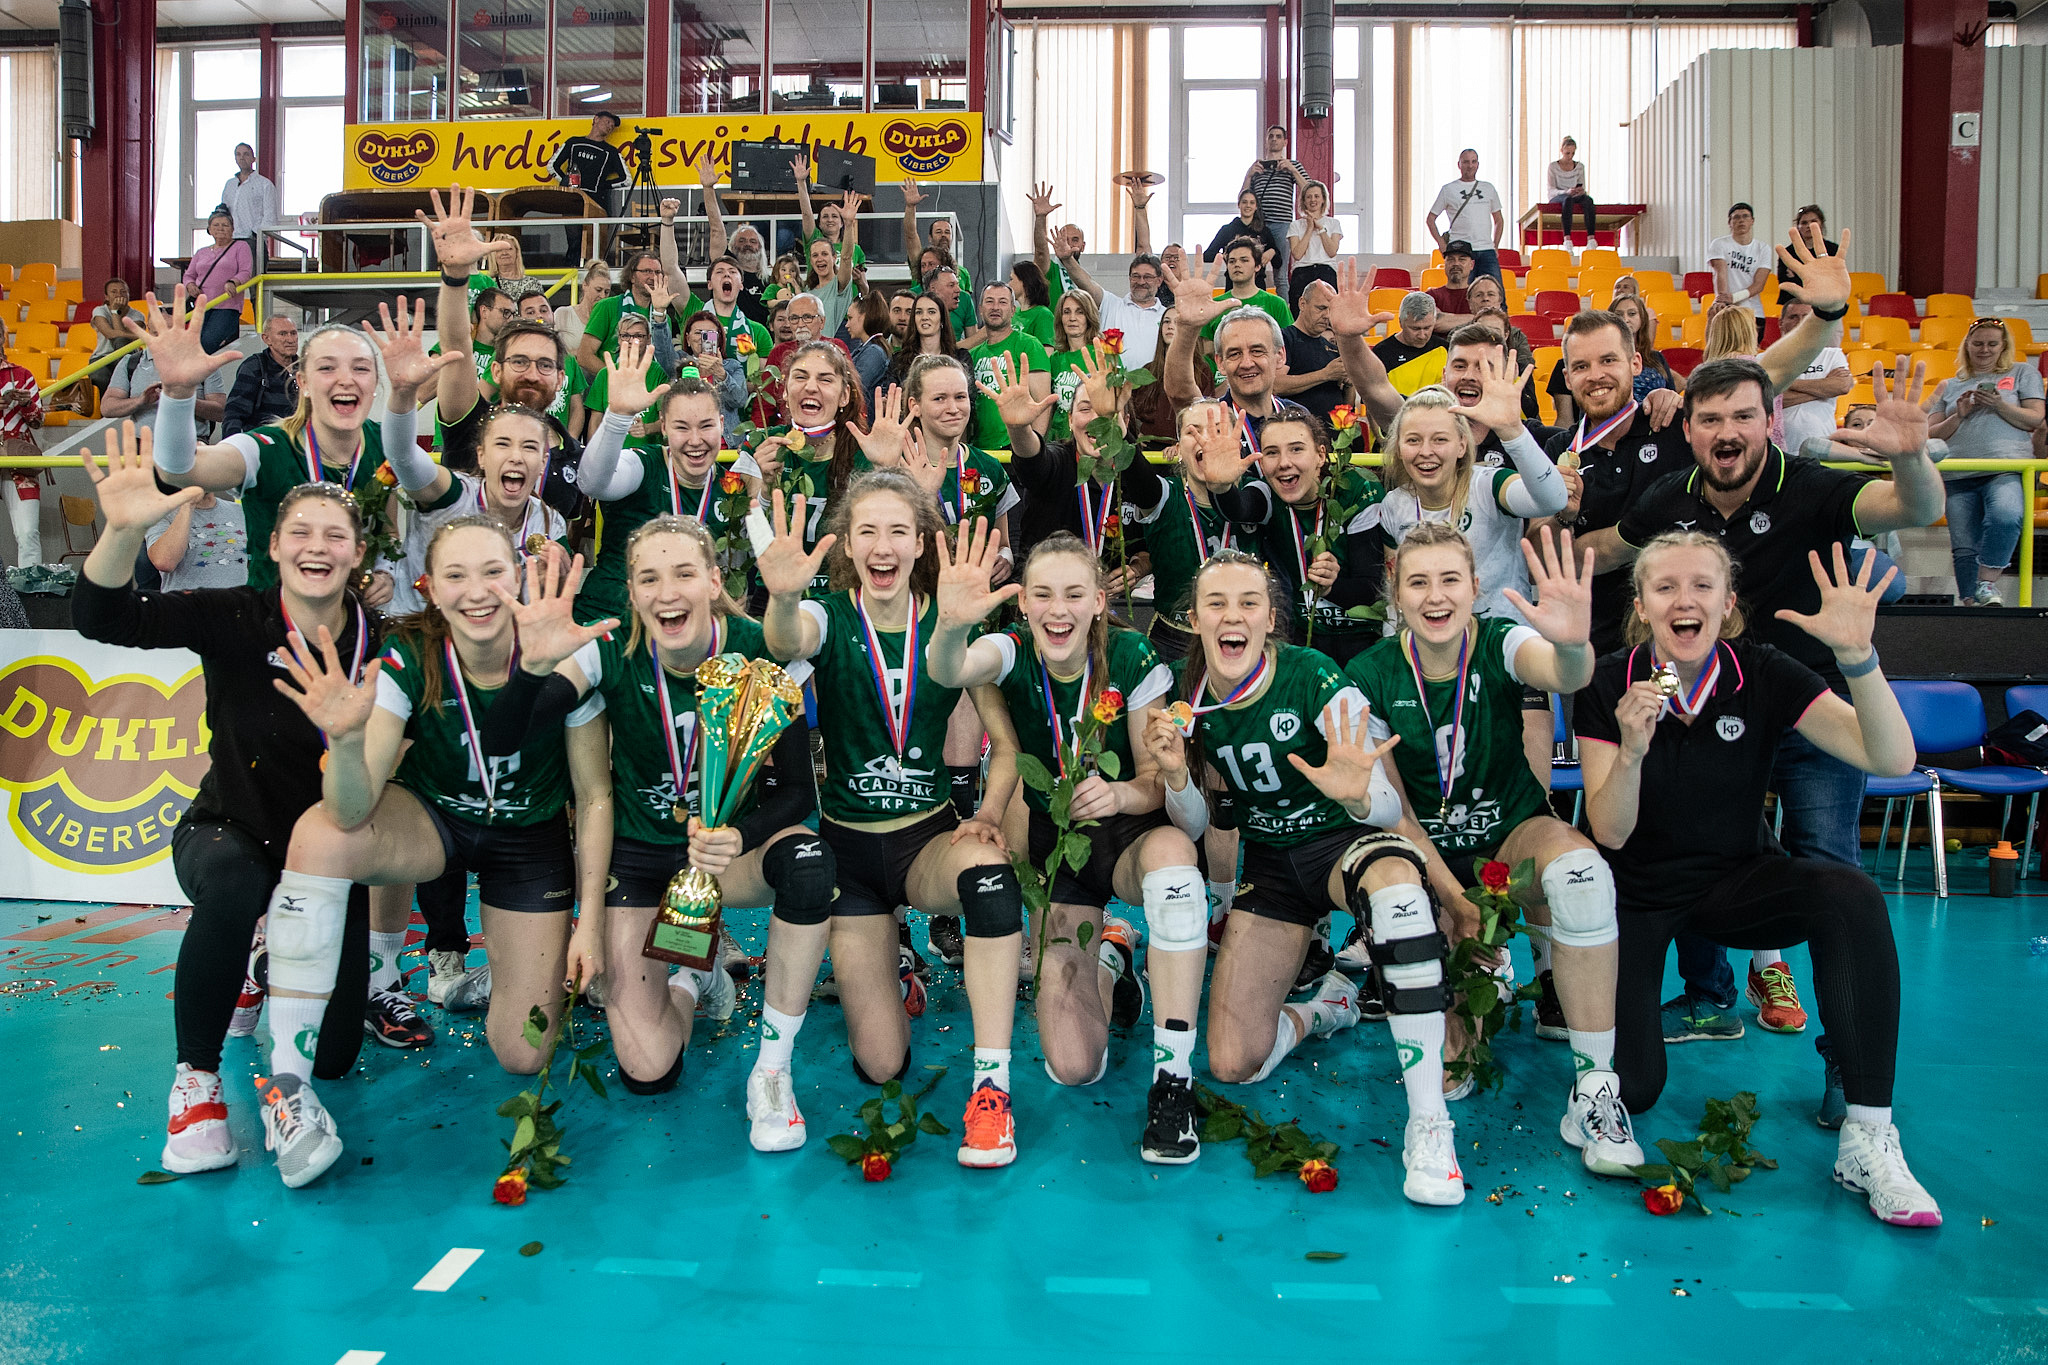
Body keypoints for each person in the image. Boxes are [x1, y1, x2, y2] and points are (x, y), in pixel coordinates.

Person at [1577, 531, 1941, 1227]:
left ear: (1728, 602)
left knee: (1851, 896)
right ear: (1641, 606)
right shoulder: (1608, 681)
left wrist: (1858, 659)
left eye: (1702, 586)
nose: (1684, 600)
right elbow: (1611, 832)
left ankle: (1868, 1136)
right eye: (1665, 587)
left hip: (1735, 880)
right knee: (1638, 1088)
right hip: (1637, 896)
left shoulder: (1763, 671)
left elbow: (1893, 758)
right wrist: (1630, 752)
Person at [1588, 358, 1946, 1046]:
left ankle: (1844, 1059)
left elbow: (1913, 507)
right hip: (1702, 708)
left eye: (1743, 415)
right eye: (1711, 418)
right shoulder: (1667, 497)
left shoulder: (1812, 486)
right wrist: (1534, 538)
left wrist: (1910, 460)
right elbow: (1611, 549)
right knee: (1686, 849)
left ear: (1768, 422)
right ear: (1689, 430)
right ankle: (1710, 999)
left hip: (1808, 707)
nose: (1727, 431)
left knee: (1833, 874)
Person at [251, 521, 613, 1185]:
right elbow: (353, 809)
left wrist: (588, 923)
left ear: (518, 577)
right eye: (456, 576)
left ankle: (512, 970)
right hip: (435, 820)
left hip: (528, 839)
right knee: (320, 833)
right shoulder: (407, 654)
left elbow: (593, 797)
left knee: (525, 1052)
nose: (477, 591)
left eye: (493, 572)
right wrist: (348, 742)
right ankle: (288, 1089)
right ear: (431, 589)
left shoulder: (562, 649)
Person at [74, 426, 383, 1184]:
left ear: (358, 554)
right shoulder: (234, 613)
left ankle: (263, 962)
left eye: (335, 535)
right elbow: (105, 618)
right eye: (300, 532)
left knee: (336, 1058)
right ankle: (197, 1082)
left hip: (327, 858)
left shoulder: (382, 642)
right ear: (272, 546)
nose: (317, 546)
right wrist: (122, 532)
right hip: (227, 830)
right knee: (237, 884)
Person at [1152, 551, 1468, 1206]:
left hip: (1343, 844)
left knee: (1399, 892)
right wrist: (1176, 776)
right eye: (1216, 603)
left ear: (1270, 618)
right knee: (1232, 1063)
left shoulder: (1314, 675)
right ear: (1194, 619)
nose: (1232, 616)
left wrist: (1357, 794)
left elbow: (1388, 808)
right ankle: (1326, 1008)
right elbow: (1195, 822)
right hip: (1272, 866)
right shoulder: (1192, 702)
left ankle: (1430, 1125)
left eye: (1248, 603)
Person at [754, 474, 1028, 1166]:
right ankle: (896, 973)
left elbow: (1006, 747)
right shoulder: (828, 616)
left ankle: (992, 1090)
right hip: (849, 860)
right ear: (847, 546)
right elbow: (787, 639)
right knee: (881, 1065)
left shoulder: (951, 617)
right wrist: (782, 596)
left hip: (927, 844)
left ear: (920, 544)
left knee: (991, 876)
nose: (883, 546)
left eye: (898, 531)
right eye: (867, 532)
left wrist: (989, 812)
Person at [1351, 523, 1641, 1170]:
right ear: (1395, 593)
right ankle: (1482, 971)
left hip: (1511, 837)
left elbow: (1562, 671)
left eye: (1450, 579)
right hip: (1429, 860)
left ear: (1475, 586)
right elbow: (1399, 818)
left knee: (1585, 874)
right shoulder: (1369, 673)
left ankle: (1596, 1088)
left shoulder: (1502, 640)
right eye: (1418, 582)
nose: (1435, 596)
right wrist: (1458, 902)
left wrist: (1572, 644)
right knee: (1455, 1071)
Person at [928, 527, 1211, 1162]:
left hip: (1128, 837)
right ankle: (1112, 958)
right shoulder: (1008, 650)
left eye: (1074, 594)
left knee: (1175, 864)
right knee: (1074, 1067)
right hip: (1060, 853)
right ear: (1023, 602)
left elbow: (1156, 784)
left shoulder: (1134, 657)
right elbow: (948, 669)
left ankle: (1174, 1079)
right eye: (1043, 595)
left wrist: (1118, 796)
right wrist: (951, 624)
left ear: (1099, 603)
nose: (1058, 610)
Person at [523, 516, 825, 1093]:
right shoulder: (607, 652)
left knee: (809, 861)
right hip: (640, 858)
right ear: (632, 593)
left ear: (713, 581)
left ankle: (773, 1066)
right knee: (648, 1072)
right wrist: (533, 669)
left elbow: (798, 791)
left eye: (684, 573)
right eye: (649, 579)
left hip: (722, 857)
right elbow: (516, 734)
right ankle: (691, 978)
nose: (667, 593)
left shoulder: (761, 649)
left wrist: (741, 835)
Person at [141, 285, 462, 604]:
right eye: (327, 367)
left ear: (375, 383)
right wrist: (178, 394)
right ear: (303, 382)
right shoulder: (263, 448)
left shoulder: (383, 445)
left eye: (360, 368)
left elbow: (389, 531)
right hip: (274, 623)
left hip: (354, 621)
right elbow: (179, 471)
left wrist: (385, 571)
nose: (346, 378)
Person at [1376, 376, 1570, 629]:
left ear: (1461, 445)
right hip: (1432, 640)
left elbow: (1553, 500)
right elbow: (1396, 594)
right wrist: (1396, 642)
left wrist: (1513, 432)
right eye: (1413, 440)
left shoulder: (1489, 485)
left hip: (1501, 637)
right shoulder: (1393, 504)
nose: (1425, 451)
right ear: (1399, 448)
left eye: (1440, 439)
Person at [1214, 409, 1386, 665]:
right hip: (1300, 642)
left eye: (1296, 449)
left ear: (1320, 455)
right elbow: (1238, 508)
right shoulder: (1267, 492)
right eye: (1272, 452)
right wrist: (1220, 486)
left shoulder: (1357, 488)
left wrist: (1332, 587)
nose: (1284, 462)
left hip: (1364, 643)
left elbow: (1373, 589)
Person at [1927, 317, 2045, 605]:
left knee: (2006, 516)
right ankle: (1970, 604)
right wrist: (1959, 415)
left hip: (2006, 468)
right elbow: (1931, 433)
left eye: (1992, 344)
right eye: (1978, 343)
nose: (1984, 349)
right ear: (1967, 345)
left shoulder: (2022, 372)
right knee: (1964, 545)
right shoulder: (1949, 385)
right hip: (1957, 473)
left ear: (2003, 346)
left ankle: (1987, 583)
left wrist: (1998, 404)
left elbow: (2035, 419)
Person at [102, 304, 230, 434]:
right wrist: (140, 401)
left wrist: (185, 399)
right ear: (148, 329)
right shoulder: (130, 363)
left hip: (190, 443)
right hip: (143, 443)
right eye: (156, 333)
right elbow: (107, 408)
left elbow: (221, 412)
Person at [1052, 238, 1167, 371]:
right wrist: (1067, 260)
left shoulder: (1167, 316)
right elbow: (1087, 283)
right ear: (1129, 278)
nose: (1141, 282)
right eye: (1136, 276)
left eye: (1147, 277)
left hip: (1156, 383)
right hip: (1111, 383)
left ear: (1159, 280)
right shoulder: (1111, 304)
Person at [967, 283, 1051, 451]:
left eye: (1002, 302)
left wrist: (1033, 452)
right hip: (979, 449)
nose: (995, 307)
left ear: (1013, 310)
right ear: (980, 309)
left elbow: (1042, 403)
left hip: (1017, 448)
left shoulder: (1029, 345)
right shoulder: (972, 355)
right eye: (989, 301)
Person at [1773, 298, 1852, 455]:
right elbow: (1770, 401)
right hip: (1780, 450)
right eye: (1793, 317)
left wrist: (1787, 382)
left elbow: (1842, 386)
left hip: (1823, 447)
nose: (1800, 322)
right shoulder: (1766, 359)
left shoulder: (1832, 355)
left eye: (1806, 316)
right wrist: (1824, 389)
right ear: (1781, 323)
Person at [146, 485, 247, 590]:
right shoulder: (162, 514)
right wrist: (188, 504)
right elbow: (165, 562)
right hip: (187, 599)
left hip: (239, 599)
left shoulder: (239, 511)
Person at [1275, 279, 1348, 424]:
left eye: (1330, 310)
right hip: (1298, 428)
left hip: (1335, 431)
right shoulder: (1285, 338)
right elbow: (1275, 385)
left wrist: (1349, 383)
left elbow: (1347, 404)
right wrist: (1325, 374)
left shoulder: (1332, 347)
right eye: (1321, 308)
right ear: (1302, 304)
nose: (1327, 315)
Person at [1428, 150, 1506, 283]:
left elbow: (1498, 219)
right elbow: (1430, 219)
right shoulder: (1448, 189)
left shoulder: (1488, 188)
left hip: (1486, 250)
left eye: (1473, 161)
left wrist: (1496, 245)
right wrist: (1441, 244)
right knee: (1461, 290)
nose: (1470, 166)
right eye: (1466, 162)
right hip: (1460, 250)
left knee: (1494, 291)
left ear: (1478, 164)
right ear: (1459, 165)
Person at [183, 210, 255, 354]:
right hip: (202, 305)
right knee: (193, 343)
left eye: (225, 225)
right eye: (216, 225)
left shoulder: (240, 247)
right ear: (209, 230)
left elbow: (245, 272)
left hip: (227, 305)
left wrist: (233, 282)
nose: (220, 228)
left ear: (233, 229)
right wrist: (190, 285)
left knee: (208, 342)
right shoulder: (201, 252)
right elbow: (189, 275)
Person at [678, 312, 750, 446]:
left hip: (727, 446)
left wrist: (721, 374)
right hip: (690, 444)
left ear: (719, 340)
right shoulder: (679, 363)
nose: (703, 338)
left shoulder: (732, 366)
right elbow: (662, 352)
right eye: (698, 333)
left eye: (709, 334)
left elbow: (740, 401)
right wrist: (659, 314)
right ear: (688, 339)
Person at [224, 314, 301, 437]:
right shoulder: (254, 367)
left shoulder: (307, 368)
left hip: (301, 442)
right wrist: (232, 445)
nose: (291, 339)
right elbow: (234, 413)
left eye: (293, 333)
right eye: (283, 334)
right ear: (266, 339)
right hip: (264, 442)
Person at [0, 356, 44, 567]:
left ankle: (30, 586)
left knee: (28, 533)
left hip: (18, 458)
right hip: (16, 457)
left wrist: (26, 403)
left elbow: (38, 421)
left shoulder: (22, 374)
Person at [791, 153, 869, 271]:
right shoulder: (814, 240)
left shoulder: (856, 249)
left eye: (834, 216)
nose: (830, 219)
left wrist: (859, 278)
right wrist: (801, 182)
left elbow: (863, 282)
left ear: (842, 223)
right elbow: (807, 214)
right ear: (819, 223)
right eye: (825, 216)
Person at [1044, 288, 1102, 443]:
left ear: (1089, 317)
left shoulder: (1102, 353)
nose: (1072, 318)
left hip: (1092, 439)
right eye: (1066, 312)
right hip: (1058, 440)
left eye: (1079, 312)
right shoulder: (1055, 359)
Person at [885, 292, 971, 395]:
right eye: (919, 312)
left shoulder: (961, 358)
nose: (924, 317)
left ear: (942, 320)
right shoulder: (898, 360)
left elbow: (969, 397)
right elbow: (888, 394)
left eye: (931, 312)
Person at [1708, 203, 1772, 337]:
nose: (1741, 220)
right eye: (1736, 217)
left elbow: (1759, 284)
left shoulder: (1763, 248)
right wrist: (1724, 300)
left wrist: (1735, 297)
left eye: (1745, 216)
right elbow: (1721, 273)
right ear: (1729, 223)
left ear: (1752, 221)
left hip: (1753, 311)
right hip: (1726, 309)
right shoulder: (1719, 244)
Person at [1372, 293, 1450, 396]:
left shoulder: (1445, 348)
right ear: (1400, 322)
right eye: (1415, 328)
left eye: (1427, 328)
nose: (1422, 335)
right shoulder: (1381, 353)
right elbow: (1373, 397)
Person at [1203, 193, 1283, 294]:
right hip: (1233, 285)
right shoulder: (1227, 229)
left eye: (1252, 203)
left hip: (1258, 285)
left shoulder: (1264, 231)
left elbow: (1278, 263)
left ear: (1256, 206)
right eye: (1244, 202)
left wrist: (1272, 251)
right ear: (1239, 205)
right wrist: (1224, 255)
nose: (1248, 205)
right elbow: (1207, 256)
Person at [549, 111, 629, 209]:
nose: (609, 126)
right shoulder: (573, 142)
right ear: (596, 119)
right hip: (571, 199)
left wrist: (602, 185)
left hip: (595, 202)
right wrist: (565, 181)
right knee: (570, 218)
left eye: (612, 126)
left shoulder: (611, 151)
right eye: (607, 122)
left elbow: (626, 179)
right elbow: (552, 166)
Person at [219, 143, 279, 268]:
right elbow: (225, 213)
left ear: (253, 159)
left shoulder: (264, 184)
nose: (242, 158)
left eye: (246, 154)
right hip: (231, 239)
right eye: (238, 154)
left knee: (252, 277)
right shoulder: (229, 185)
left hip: (252, 240)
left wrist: (257, 235)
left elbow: (270, 216)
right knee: (230, 277)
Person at [1285, 180, 1342, 310]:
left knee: (1328, 311)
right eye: (1309, 197)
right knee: (1298, 310)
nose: (1313, 200)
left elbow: (1332, 251)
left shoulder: (1333, 223)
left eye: (1316, 196)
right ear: (1304, 201)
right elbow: (1297, 254)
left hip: (1326, 269)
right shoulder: (1295, 225)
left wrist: (1320, 228)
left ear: (1323, 199)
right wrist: (1310, 228)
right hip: (1302, 270)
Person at [1611, 296, 1675, 401]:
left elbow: (1672, 394)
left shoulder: (1656, 357)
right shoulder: (1604, 359)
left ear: (1642, 319)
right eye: (1619, 315)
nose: (1625, 319)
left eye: (1632, 314)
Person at [552, 260, 613, 356]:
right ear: (585, 285)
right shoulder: (563, 314)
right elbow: (551, 350)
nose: (603, 296)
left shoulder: (610, 320)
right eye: (598, 290)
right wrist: (584, 355)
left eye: (606, 292)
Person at [89, 279, 141, 392]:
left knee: (122, 341)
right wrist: (114, 312)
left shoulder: (137, 315)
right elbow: (110, 334)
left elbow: (120, 338)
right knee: (99, 376)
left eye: (123, 291)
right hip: (103, 357)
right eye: (114, 292)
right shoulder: (99, 311)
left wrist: (115, 313)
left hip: (129, 357)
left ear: (128, 294)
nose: (119, 295)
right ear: (106, 297)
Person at [1546, 137, 1596, 246]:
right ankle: (1567, 238)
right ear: (1562, 151)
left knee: (1588, 200)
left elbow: (1582, 185)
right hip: (1559, 196)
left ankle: (1591, 238)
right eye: (1567, 153)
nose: (1570, 156)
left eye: (1573, 153)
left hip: (1574, 195)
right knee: (1568, 200)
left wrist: (1580, 191)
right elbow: (1551, 190)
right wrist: (1566, 191)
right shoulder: (1553, 167)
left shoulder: (1580, 167)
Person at [1776, 206, 1840, 287]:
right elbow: (1784, 282)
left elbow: (1835, 280)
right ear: (1798, 226)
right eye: (1804, 223)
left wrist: (1798, 276)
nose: (1809, 225)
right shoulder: (1788, 252)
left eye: (1813, 221)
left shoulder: (1833, 249)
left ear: (1821, 224)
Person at [1427, 242, 1479, 335]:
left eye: (1462, 259)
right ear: (1445, 264)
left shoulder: (1480, 295)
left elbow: (1488, 322)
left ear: (1472, 265)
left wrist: (1445, 318)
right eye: (1451, 259)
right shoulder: (1431, 296)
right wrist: (1475, 318)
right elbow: (1434, 324)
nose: (1456, 264)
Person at [1010, 262, 1058, 349]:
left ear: (1024, 281)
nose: (1008, 284)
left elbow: (1047, 352)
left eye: (1011, 279)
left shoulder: (1043, 314)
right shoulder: (1013, 312)